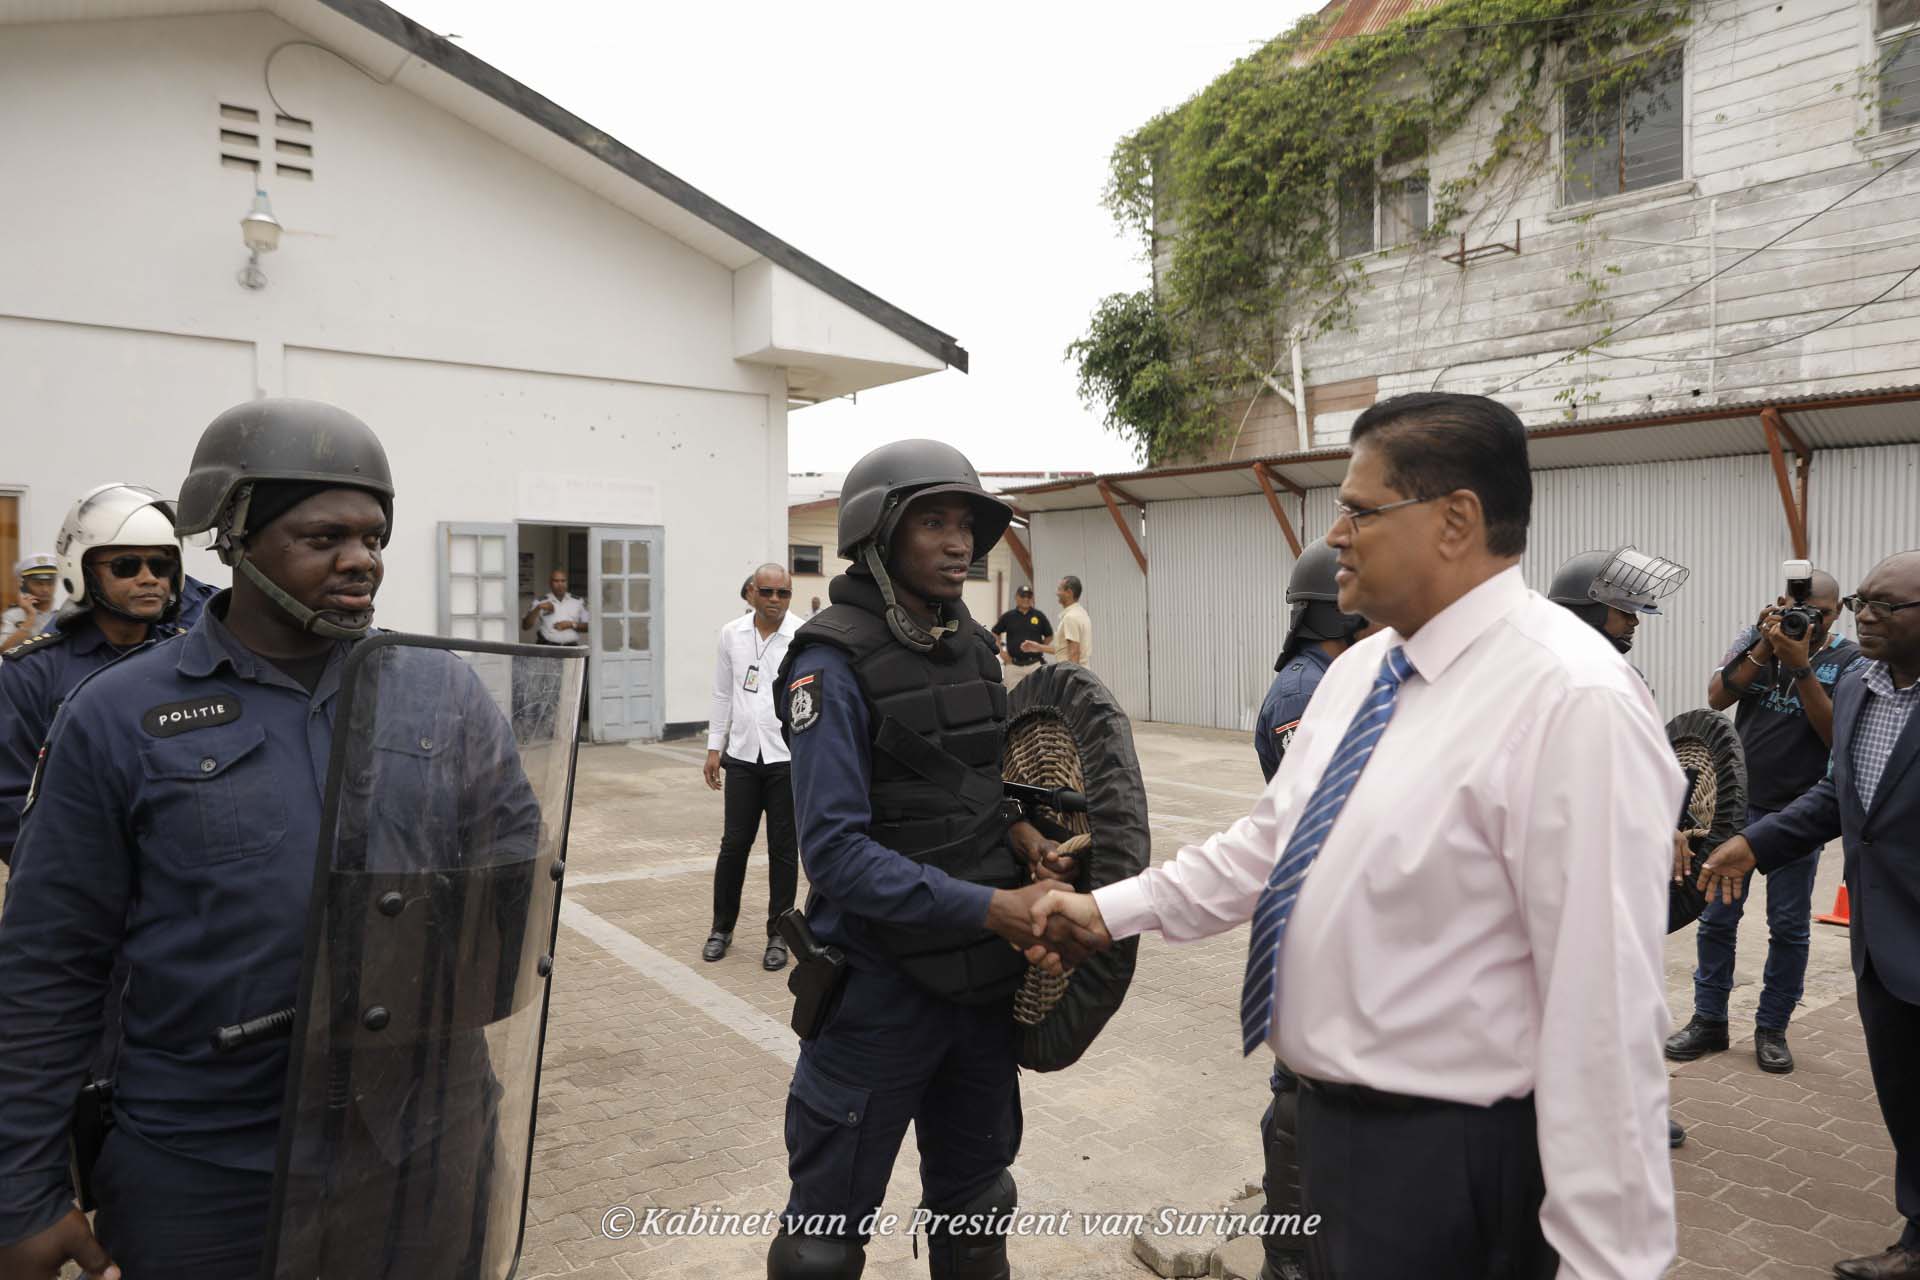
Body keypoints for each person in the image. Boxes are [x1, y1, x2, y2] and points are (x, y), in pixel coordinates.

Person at [1031, 392, 1681, 1279]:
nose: (1336, 533)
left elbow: (1602, 1013)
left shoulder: (1573, 703)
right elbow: (1270, 846)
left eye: (1359, 509)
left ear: (1455, 520)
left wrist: (1608, 1264)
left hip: (1453, 1161)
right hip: (1329, 1137)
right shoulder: (1366, 670)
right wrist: (1111, 908)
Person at [0, 398, 530, 1280]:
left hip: (425, 1142)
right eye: (324, 537)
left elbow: (512, 886)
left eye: (372, 536)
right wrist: (20, 1188)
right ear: (235, 538)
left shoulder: (443, 692)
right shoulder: (116, 714)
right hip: (211, 1168)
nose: (360, 559)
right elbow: (50, 967)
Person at [765, 438, 1071, 1280]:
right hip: (876, 994)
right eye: (931, 521)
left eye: (967, 523)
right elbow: (833, 854)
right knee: (823, 1242)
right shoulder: (828, 661)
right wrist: (990, 908)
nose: (957, 542)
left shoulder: (973, 644)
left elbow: (977, 788)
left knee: (976, 1214)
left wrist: (1024, 841)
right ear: (880, 536)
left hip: (976, 990)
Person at [1699, 552, 1920, 1280]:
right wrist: (1749, 845)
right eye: (1863, 601)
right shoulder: (1861, 686)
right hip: (1881, 943)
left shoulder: (1841, 670)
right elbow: (1840, 795)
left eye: (1888, 606)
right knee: (1905, 1096)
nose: (1866, 615)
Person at [1668, 568, 1861, 1075]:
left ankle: (1771, 1027)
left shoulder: (1850, 661)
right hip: (1737, 810)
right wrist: (1764, 647)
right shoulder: (1759, 639)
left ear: (1836, 611)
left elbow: (1835, 738)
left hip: (1796, 816)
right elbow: (1717, 697)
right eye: (1801, 611)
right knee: (1715, 919)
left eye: (1819, 614)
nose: (1808, 622)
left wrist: (1801, 668)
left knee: (1790, 928)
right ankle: (1708, 1019)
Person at [1245, 537, 1370, 1279]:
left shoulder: (1341, 678)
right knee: (1296, 1093)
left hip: (1343, 904)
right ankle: (1284, 1255)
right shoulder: (1302, 691)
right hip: (1308, 906)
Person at [1548, 544, 1694, 1152]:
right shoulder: (1565, 675)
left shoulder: (1608, 670)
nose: (1635, 618)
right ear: (1586, 612)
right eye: (1623, 609)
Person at [1, 485, 192, 866]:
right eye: (126, 566)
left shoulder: (190, 661)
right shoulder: (32, 673)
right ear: (83, 570)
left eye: (161, 565)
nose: (148, 578)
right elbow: (8, 802)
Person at [703, 563, 801, 970]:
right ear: (750, 594)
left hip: (786, 757)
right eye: (767, 592)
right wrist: (714, 748)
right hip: (742, 756)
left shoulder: (802, 634)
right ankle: (721, 928)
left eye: (783, 593)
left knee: (783, 850)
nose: (775, 600)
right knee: (733, 846)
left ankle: (779, 934)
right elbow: (723, 693)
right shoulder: (732, 634)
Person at [990, 584, 1052, 689]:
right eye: (1023, 596)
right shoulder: (1009, 616)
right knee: (1011, 699)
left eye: (1029, 596)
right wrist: (1001, 652)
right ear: (1017, 597)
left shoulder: (1038, 616)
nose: (1026, 599)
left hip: (1034, 665)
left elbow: (1049, 635)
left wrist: (1040, 648)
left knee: (1036, 699)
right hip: (1013, 666)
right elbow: (995, 633)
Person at [1022, 575, 1090, 666]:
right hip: (1081, 673)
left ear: (1069, 592)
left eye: (1060, 589)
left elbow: (1074, 652)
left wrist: (1070, 678)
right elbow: (1064, 650)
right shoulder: (1081, 613)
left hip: (1073, 675)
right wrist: (1038, 647)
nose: (1057, 593)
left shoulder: (1070, 618)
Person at [0, 555, 59, 654]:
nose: (45, 589)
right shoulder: (12, 615)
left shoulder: (65, 612)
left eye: (50, 583)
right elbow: (4, 650)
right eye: (38, 584)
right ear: (24, 587)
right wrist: (30, 618)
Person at [523, 568, 589, 645]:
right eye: (556, 581)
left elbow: (588, 627)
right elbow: (525, 626)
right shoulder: (540, 601)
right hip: (547, 647)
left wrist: (571, 625)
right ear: (550, 583)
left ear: (567, 582)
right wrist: (538, 608)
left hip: (571, 647)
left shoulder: (578, 601)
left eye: (563, 581)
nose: (560, 584)